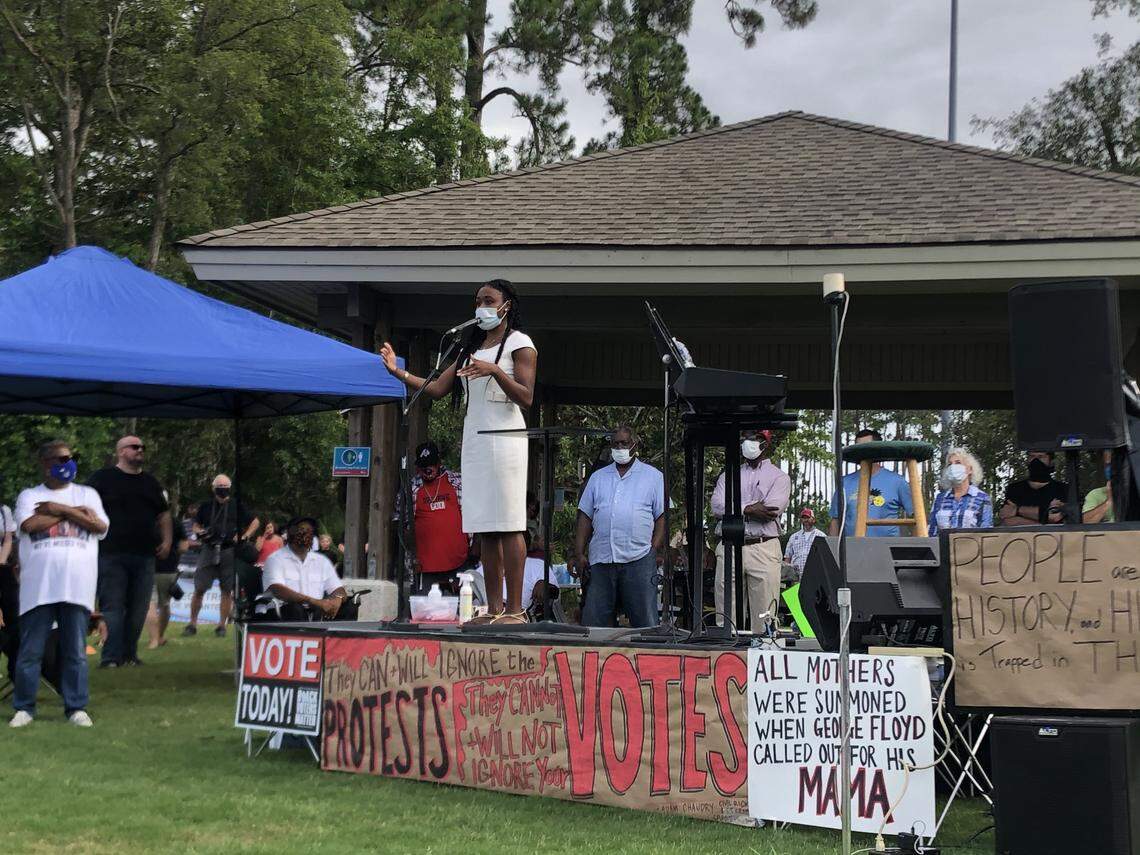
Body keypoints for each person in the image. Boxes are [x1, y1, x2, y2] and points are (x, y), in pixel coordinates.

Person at [381, 278, 536, 624]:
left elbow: (526, 396)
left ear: (506, 305)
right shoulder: (470, 347)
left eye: (488, 299)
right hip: (477, 440)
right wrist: (398, 372)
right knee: (486, 527)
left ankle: (515, 610)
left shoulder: (519, 343)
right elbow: (436, 388)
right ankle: (494, 610)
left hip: (506, 439)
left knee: (509, 524)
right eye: (477, 300)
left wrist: (495, 370)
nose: (481, 305)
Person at [10, 440, 109, 728]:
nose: (69, 463)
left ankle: (76, 707)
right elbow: (30, 525)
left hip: (77, 587)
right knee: (30, 652)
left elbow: (100, 526)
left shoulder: (88, 493)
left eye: (71, 458)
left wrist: (56, 508)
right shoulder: (29, 495)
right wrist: (75, 512)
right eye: (62, 459)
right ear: (46, 463)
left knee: (75, 651)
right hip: (38, 588)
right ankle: (24, 708)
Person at [87, 435, 172, 668]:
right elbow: (85, 508)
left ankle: (129, 654)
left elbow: (164, 514)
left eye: (142, 447)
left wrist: (167, 540)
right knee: (112, 606)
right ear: (121, 452)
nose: (140, 450)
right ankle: (111, 657)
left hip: (145, 554)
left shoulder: (151, 483)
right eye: (135, 447)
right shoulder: (101, 479)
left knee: (138, 608)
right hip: (110, 553)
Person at [572, 425, 666, 628]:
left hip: (639, 559)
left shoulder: (654, 477)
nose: (620, 447)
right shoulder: (598, 478)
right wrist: (578, 553)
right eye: (616, 443)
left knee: (645, 625)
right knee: (594, 625)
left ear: (634, 444)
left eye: (624, 443)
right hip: (602, 560)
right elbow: (585, 517)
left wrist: (653, 549)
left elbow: (663, 517)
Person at [710, 430, 791, 633]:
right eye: (744, 439)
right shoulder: (728, 474)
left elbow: (772, 509)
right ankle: (727, 656)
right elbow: (717, 506)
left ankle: (763, 653)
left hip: (763, 546)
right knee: (726, 613)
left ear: (765, 444)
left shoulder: (779, 477)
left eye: (753, 439)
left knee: (765, 615)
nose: (747, 443)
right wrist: (749, 508)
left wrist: (735, 507)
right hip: (729, 545)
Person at [185, 474, 258, 637]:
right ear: (213, 488)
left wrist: (244, 536)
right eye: (220, 487)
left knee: (227, 590)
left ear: (230, 488)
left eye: (225, 487)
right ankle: (192, 624)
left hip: (228, 550)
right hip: (208, 549)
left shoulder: (237, 505)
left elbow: (255, 522)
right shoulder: (205, 506)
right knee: (199, 588)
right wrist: (200, 532)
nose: (222, 490)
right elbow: (195, 525)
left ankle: (221, 626)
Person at [829, 429, 914, 537]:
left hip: (887, 549)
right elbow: (835, 520)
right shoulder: (844, 483)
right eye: (859, 447)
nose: (863, 451)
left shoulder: (897, 482)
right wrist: (833, 551)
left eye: (867, 447)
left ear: (877, 449)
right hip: (852, 549)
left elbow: (915, 516)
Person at [260, 517, 347, 621]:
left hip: (315, 611)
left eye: (310, 532)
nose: (306, 535)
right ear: (290, 534)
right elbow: (277, 590)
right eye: (302, 530)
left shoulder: (321, 561)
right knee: (296, 608)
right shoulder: (275, 559)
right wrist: (314, 601)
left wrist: (338, 599)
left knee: (348, 606)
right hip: (284, 611)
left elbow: (338, 589)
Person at [410, 441, 469, 594]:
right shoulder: (412, 488)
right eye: (423, 466)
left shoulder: (457, 482)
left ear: (439, 463)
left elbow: (473, 515)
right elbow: (402, 524)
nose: (427, 470)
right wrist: (411, 557)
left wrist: (474, 553)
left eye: (431, 464)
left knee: (460, 608)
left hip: (459, 561)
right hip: (425, 567)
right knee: (427, 611)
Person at [928, 447, 994, 534]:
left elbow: (986, 532)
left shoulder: (982, 498)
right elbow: (932, 530)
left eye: (958, 463)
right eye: (950, 464)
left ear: (970, 469)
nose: (953, 467)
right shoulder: (940, 498)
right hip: (943, 547)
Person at [998, 451, 1069, 526]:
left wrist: (1017, 510)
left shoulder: (1063, 489)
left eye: (1041, 457)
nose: (1036, 461)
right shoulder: (1014, 489)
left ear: (1051, 462)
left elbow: (1055, 517)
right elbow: (1008, 520)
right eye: (1032, 456)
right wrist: (1044, 520)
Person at [783, 507, 824, 578]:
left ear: (813, 519)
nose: (805, 520)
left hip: (815, 575)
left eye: (808, 517)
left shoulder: (821, 536)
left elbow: (825, 558)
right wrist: (786, 574)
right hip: (795, 575)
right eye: (803, 518)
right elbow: (788, 557)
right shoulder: (793, 537)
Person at [1083, 451, 1116, 524]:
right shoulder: (1095, 494)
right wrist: (1108, 502)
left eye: (1114, 465)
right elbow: (1086, 524)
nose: (1110, 469)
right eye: (1107, 465)